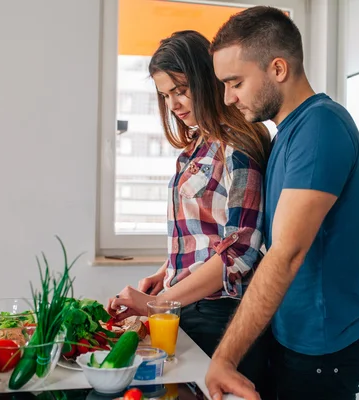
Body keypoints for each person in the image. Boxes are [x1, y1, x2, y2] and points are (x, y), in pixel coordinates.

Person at [205, 6, 359, 400]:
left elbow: (287, 252)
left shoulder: (320, 126)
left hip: (322, 347)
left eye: (235, 82)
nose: (229, 98)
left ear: (277, 69)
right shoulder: (287, 133)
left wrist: (225, 358)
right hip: (293, 338)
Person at [106, 30, 272, 391]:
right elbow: (204, 232)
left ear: (207, 79)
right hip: (190, 305)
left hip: (221, 316)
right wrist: (166, 272)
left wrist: (156, 303)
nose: (174, 104)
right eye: (166, 95)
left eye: (181, 90)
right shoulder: (197, 147)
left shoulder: (237, 145)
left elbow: (239, 251)